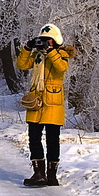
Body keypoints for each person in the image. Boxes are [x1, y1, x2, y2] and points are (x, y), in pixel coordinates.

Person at [16, 23, 71, 187]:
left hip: (53, 103)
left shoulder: (62, 54)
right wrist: (28, 47)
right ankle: (39, 173)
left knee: (53, 140)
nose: (46, 43)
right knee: (34, 138)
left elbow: (61, 68)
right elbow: (22, 65)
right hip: (36, 102)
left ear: (56, 42)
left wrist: (50, 51)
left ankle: (52, 176)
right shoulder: (37, 56)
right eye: (43, 40)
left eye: (49, 40)